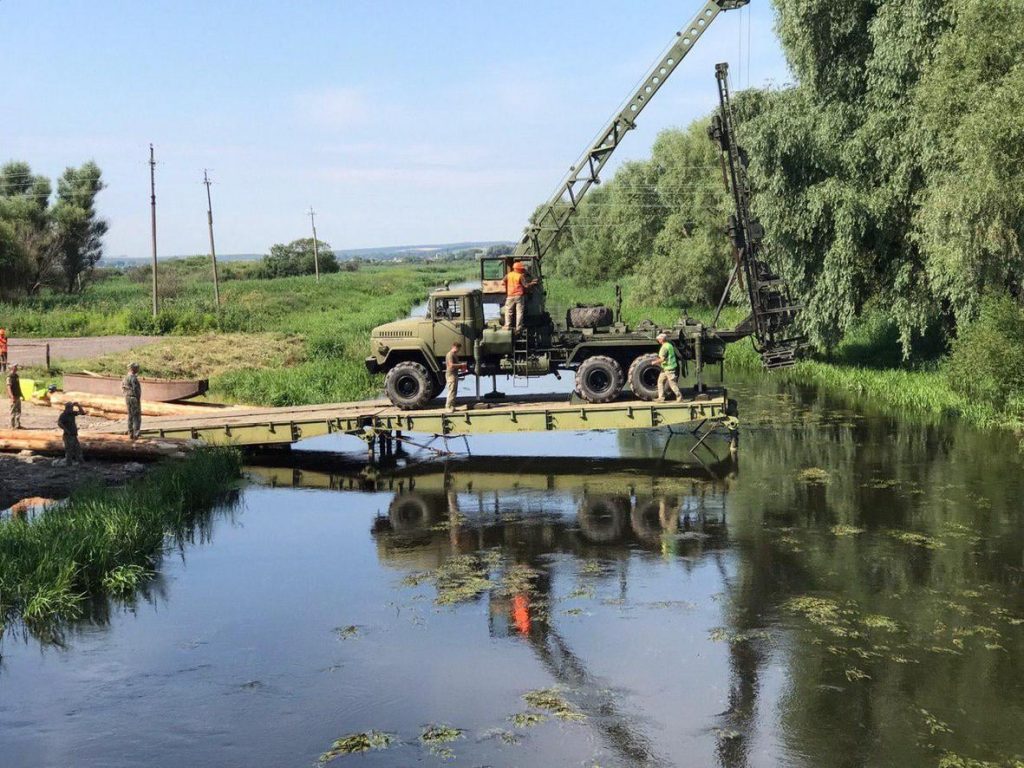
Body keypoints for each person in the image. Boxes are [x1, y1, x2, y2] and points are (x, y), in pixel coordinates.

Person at [501, 261, 538, 333]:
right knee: (519, 312)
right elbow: (526, 286)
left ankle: (507, 325)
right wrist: (532, 283)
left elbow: (502, 282)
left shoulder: (508, 275)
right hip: (519, 296)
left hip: (510, 295)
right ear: (519, 269)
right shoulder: (520, 276)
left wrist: (507, 286)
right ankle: (519, 327)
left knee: (508, 311)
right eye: (521, 269)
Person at [654, 332, 683, 403]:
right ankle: (661, 398)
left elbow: (662, 359)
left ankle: (679, 397)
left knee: (672, 384)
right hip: (666, 368)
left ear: (662, 339)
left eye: (659, 339)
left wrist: (654, 362)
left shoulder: (664, 347)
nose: (658, 340)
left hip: (669, 368)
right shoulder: (669, 345)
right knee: (660, 381)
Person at [122, 362, 142, 439]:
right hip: (134, 398)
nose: (138, 369)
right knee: (136, 416)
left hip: (127, 398)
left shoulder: (125, 378)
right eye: (137, 368)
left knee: (130, 415)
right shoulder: (133, 378)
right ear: (133, 369)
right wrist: (138, 399)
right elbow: (136, 389)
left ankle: (130, 432)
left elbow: (123, 388)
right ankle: (136, 433)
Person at [445, 341, 466, 412]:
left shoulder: (455, 355)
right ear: (454, 347)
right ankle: (448, 407)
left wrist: (461, 366)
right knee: (451, 390)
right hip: (451, 375)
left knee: (454, 391)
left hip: (455, 374)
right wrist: (461, 365)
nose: (458, 350)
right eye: (458, 349)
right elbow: (451, 365)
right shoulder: (450, 354)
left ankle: (452, 406)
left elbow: (456, 365)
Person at [6, 363, 22, 429]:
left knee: (18, 411)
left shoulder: (16, 376)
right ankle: (12, 425)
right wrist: (12, 396)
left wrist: (21, 394)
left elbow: (18, 386)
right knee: (13, 411)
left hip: (17, 395)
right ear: (12, 368)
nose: (16, 368)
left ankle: (17, 425)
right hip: (13, 396)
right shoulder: (9, 377)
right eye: (15, 367)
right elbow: (8, 387)